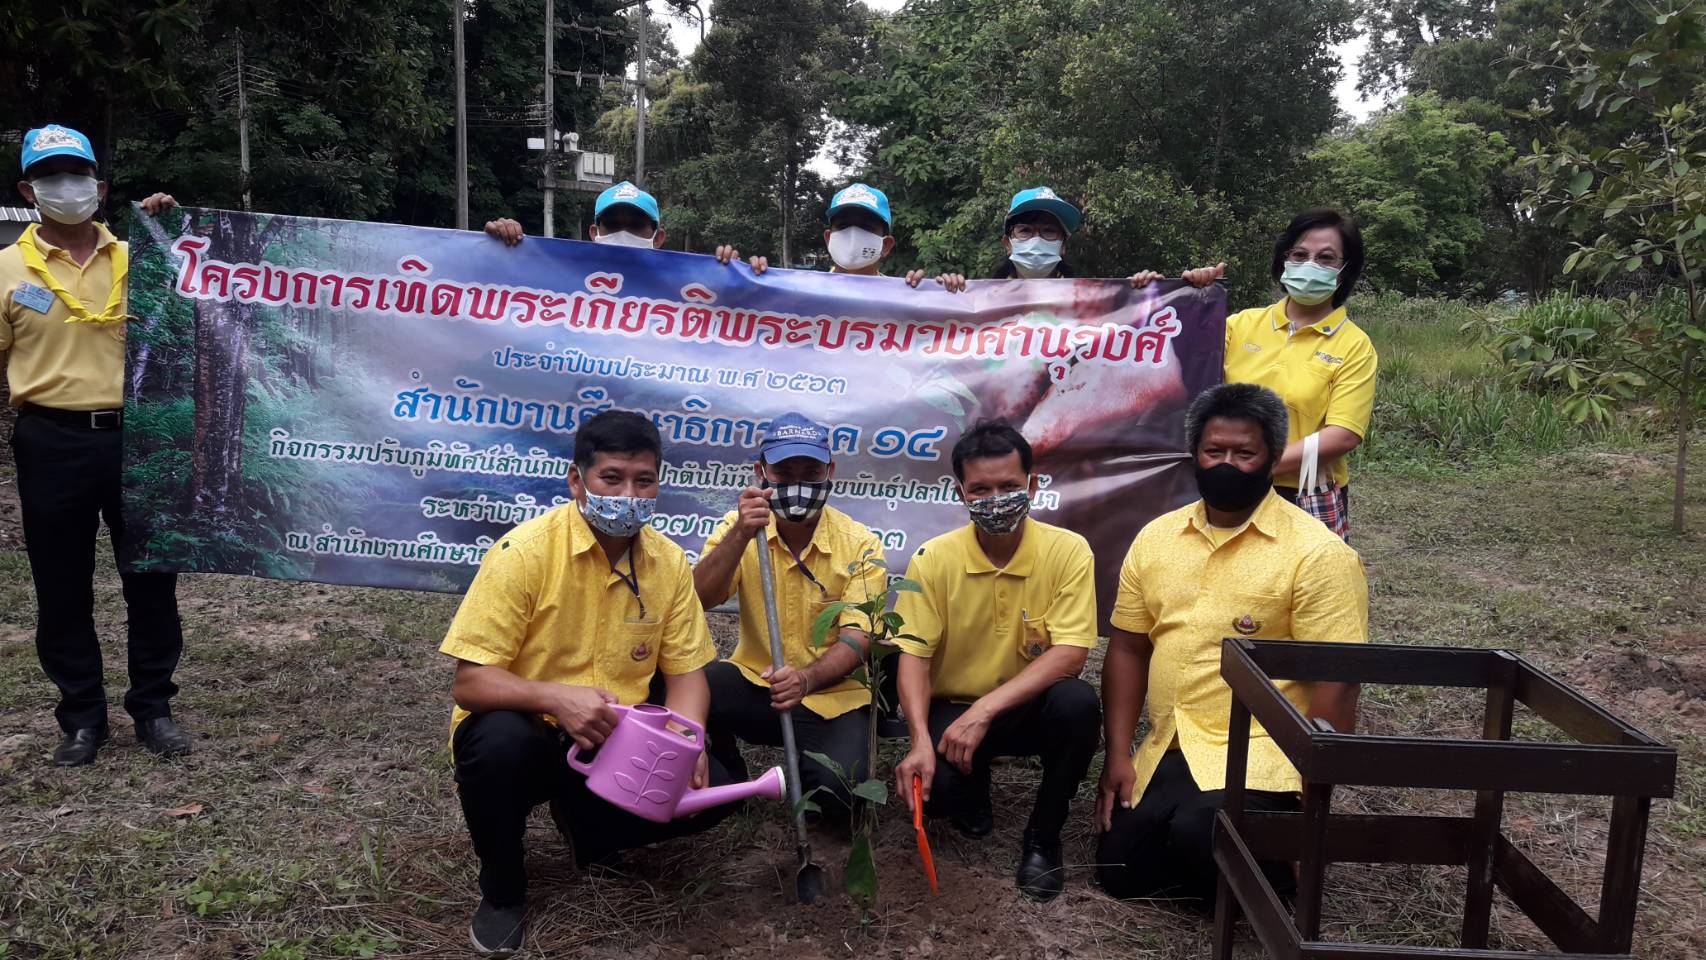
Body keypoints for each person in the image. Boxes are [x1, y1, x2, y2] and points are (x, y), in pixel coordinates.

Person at [441, 410, 737, 957]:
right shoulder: (524, 553)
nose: (629, 494)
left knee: (711, 792)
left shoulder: (668, 563)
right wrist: (554, 696)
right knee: (499, 743)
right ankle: (503, 890)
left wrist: (690, 736)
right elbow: (471, 683)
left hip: (615, 739)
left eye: (643, 481)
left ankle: (589, 831)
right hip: (531, 730)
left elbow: (687, 674)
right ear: (577, 481)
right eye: (612, 478)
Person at [1095, 383, 1368, 908]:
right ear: (1194, 454)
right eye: (1214, 452)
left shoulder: (1317, 554)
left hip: (1263, 751)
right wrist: (1118, 755)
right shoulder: (1156, 538)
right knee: (1119, 869)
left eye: (1244, 454)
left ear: (1271, 460)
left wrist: (1316, 801)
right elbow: (1128, 648)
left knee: (1203, 834)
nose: (1227, 465)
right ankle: (1228, 868)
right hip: (1174, 742)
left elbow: (1340, 676)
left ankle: (1275, 868)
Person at [2, 124, 187, 766]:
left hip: (136, 437)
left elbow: (213, 297)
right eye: (50, 176)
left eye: (77, 175)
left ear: (100, 187)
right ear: (29, 189)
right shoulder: (6, 269)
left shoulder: (145, 258)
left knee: (151, 579)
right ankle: (81, 718)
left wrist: (175, 226)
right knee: (60, 585)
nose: (66, 188)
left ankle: (154, 709)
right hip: (49, 438)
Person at [891, 420, 1101, 901]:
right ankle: (970, 791)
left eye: (1009, 486)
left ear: (1032, 485)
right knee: (938, 794)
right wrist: (920, 739)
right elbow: (914, 656)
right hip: (952, 707)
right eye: (980, 489)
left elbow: (1070, 654)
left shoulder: (1068, 551)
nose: (995, 498)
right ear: (960, 493)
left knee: (1077, 705)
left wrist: (984, 712)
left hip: (1023, 706)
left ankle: (1044, 838)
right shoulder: (933, 558)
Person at [693, 413, 887, 813]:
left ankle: (811, 761)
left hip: (835, 696)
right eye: (784, 472)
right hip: (757, 684)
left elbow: (859, 636)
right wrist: (741, 535)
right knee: (691, 685)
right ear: (761, 472)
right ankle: (728, 774)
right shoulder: (739, 529)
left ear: (830, 471)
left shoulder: (861, 544)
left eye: (811, 471)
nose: (798, 483)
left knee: (842, 795)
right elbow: (700, 598)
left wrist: (806, 679)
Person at [1153, 210, 1376, 539]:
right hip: (1223, 486)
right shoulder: (1238, 326)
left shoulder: (1354, 345)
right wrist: (1184, 297)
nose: (1310, 264)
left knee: (1301, 587)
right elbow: (1175, 365)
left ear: (1345, 270)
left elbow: (1343, 434)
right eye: (1300, 254)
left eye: (1326, 258)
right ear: (1284, 259)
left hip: (1299, 494)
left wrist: (1256, 465)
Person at [713, 182, 938, 290]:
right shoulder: (798, 291)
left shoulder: (906, 296)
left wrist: (954, 295)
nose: (852, 234)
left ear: (886, 245)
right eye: (843, 226)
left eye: (865, 227)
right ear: (829, 238)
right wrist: (733, 282)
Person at [482, 180, 667, 249]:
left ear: (657, 237)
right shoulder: (564, 275)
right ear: (594, 233)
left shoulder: (680, 290)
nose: (623, 233)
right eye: (612, 224)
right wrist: (500, 248)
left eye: (635, 224)